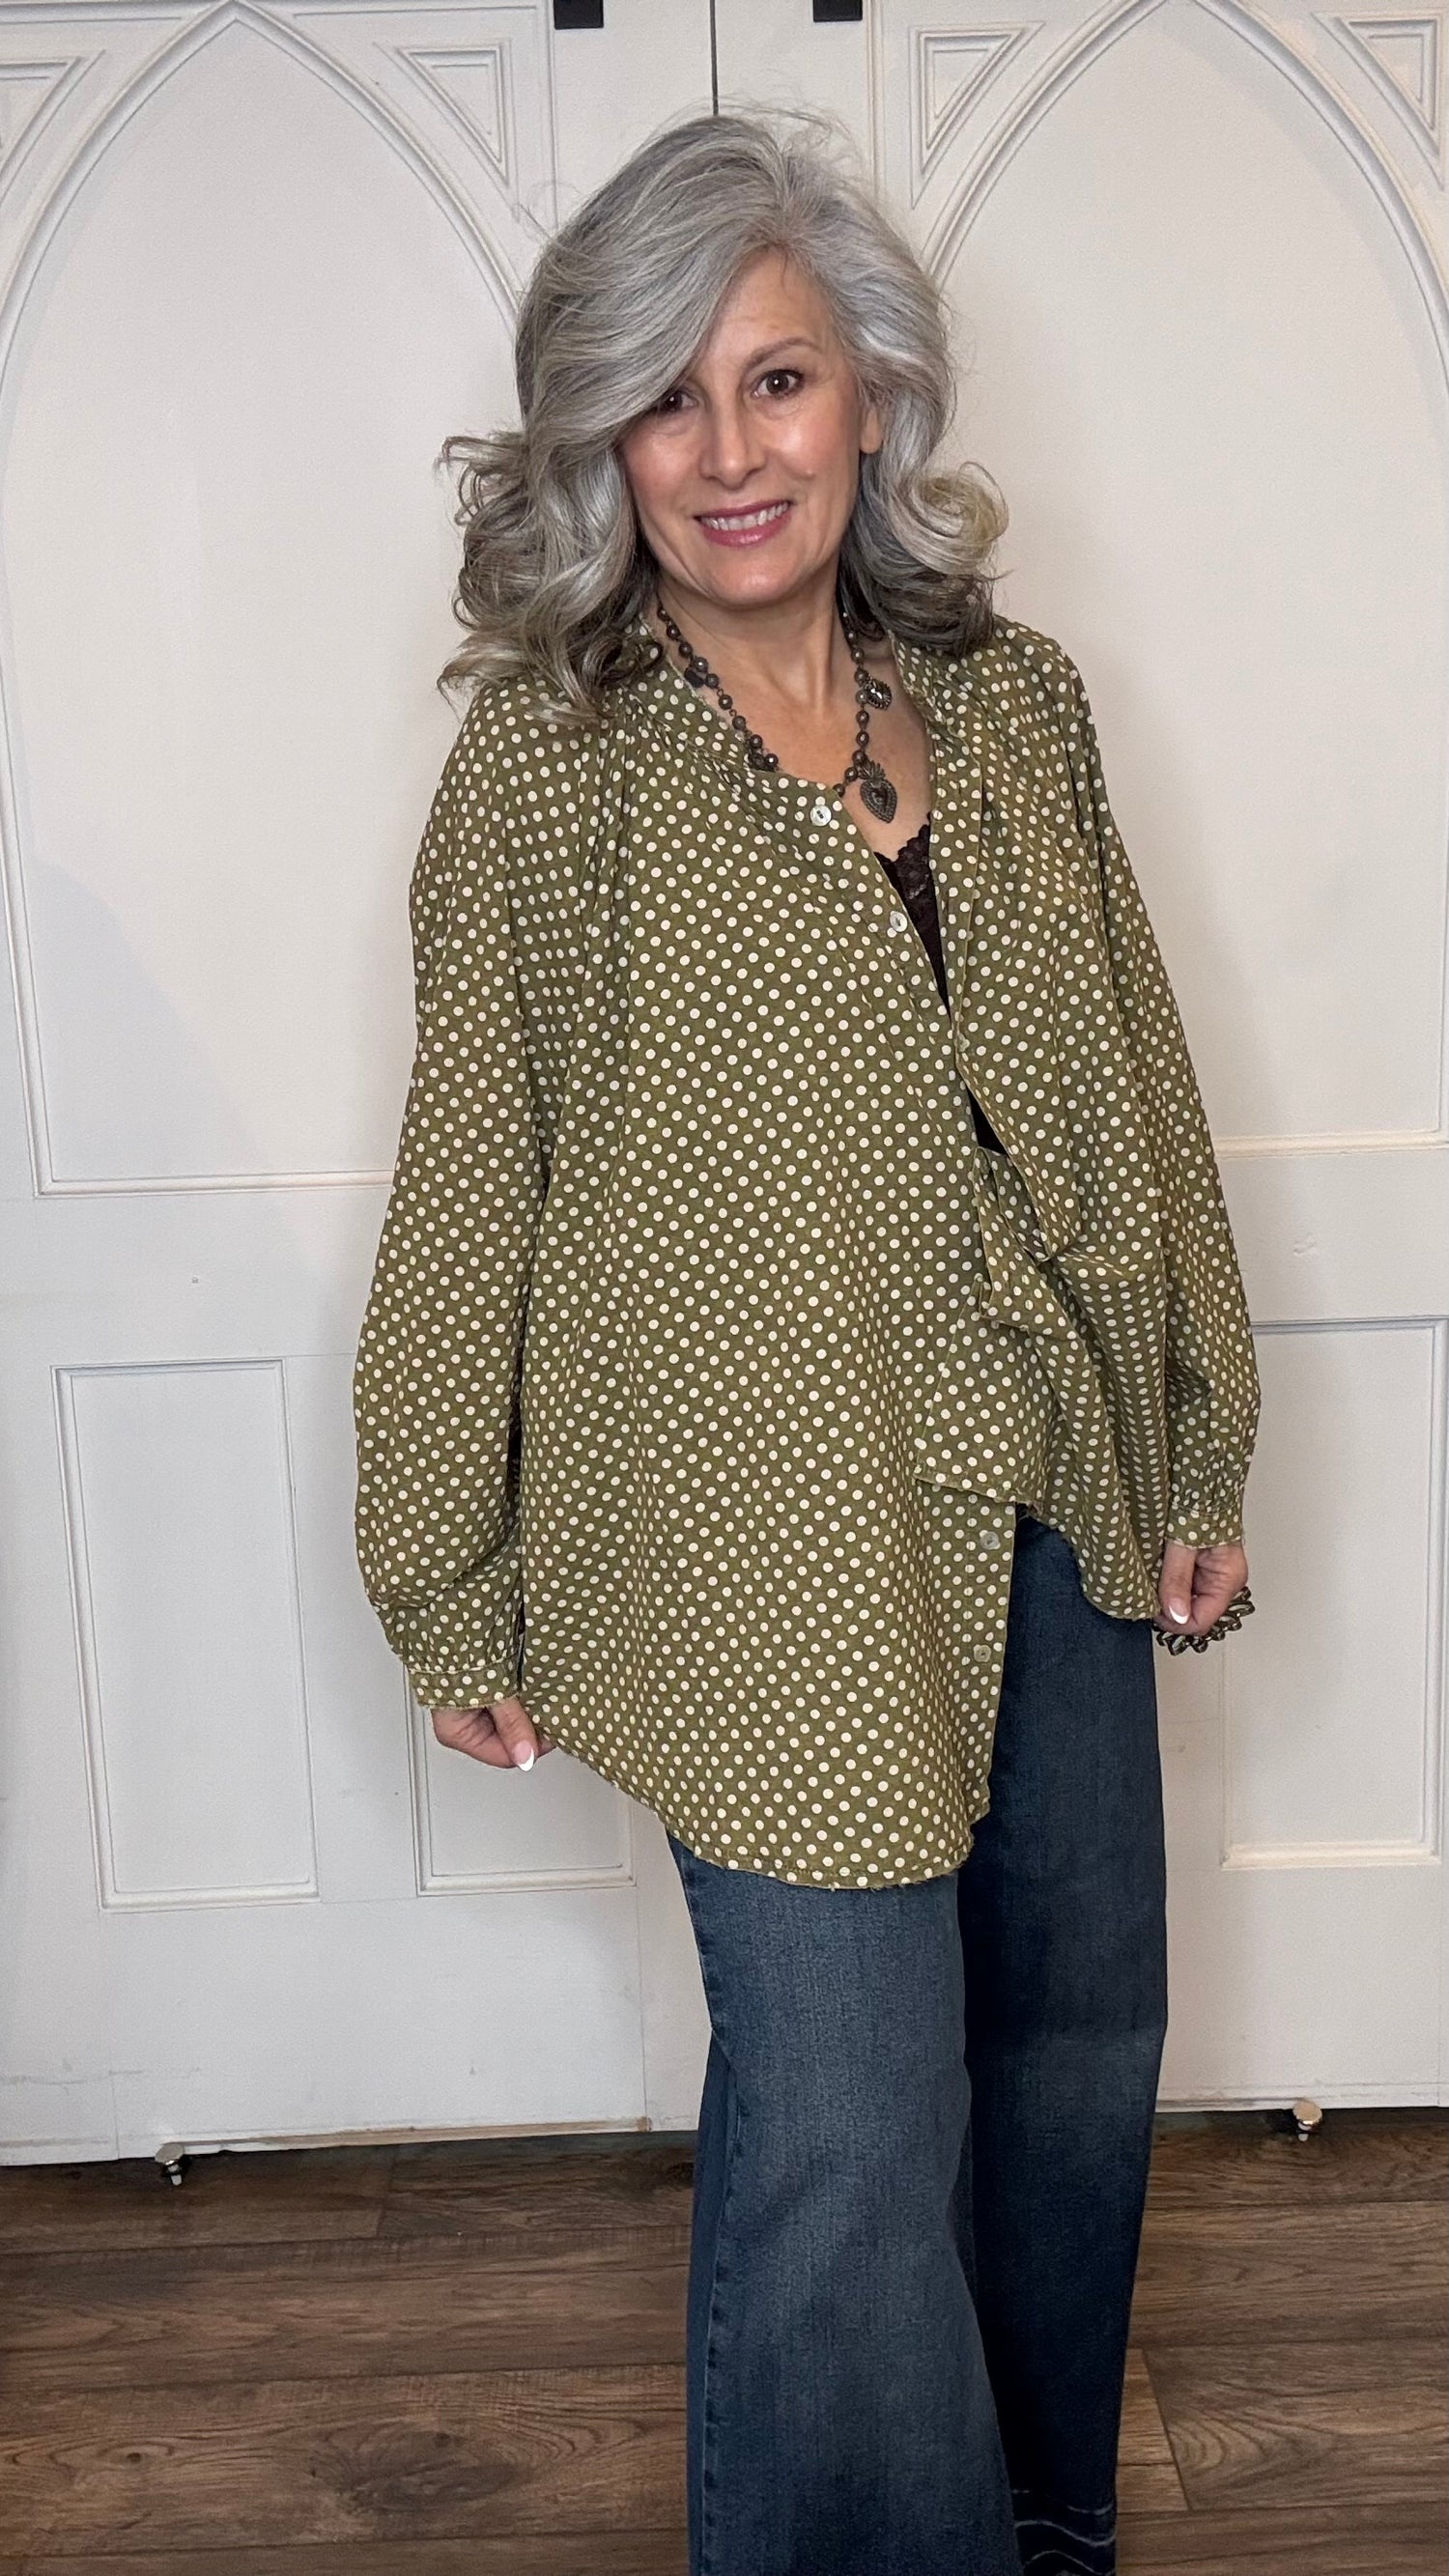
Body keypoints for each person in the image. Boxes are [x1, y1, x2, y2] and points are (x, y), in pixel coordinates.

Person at [351, 109, 1261, 2576]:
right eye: (664, 399)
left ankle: (1044, 2525)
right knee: (855, 2117)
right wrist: (443, 1564)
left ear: (871, 393)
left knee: (1070, 2054)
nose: (726, 454)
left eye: (772, 381)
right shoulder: (550, 784)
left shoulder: (1028, 714)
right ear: (599, 442)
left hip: (1054, 1477)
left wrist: (1195, 1435)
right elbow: (473, 1187)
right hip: (769, 1544)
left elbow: (1134, 1086)